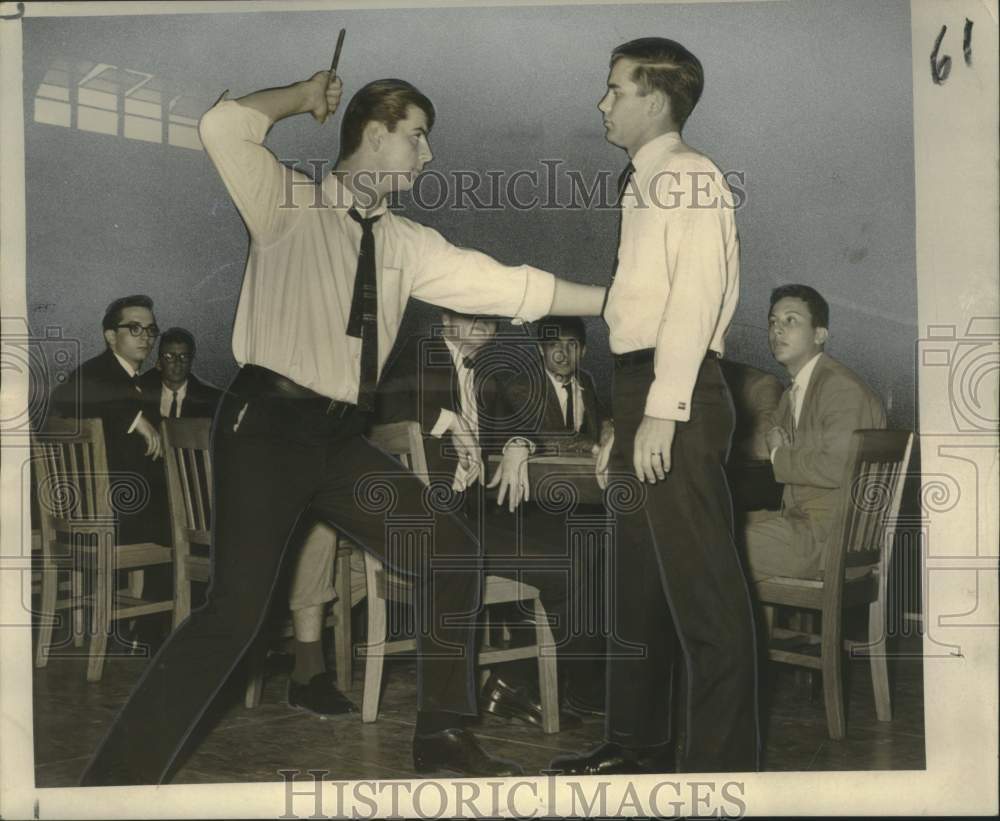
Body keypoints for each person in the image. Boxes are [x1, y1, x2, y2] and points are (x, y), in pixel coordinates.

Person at [80, 67, 606, 785]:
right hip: (264, 424)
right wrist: (299, 98)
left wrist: (618, 300)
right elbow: (220, 126)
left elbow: (512, 284)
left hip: (336, 442)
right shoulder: (285, 200)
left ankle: (445, 740)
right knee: (235, 616)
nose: (427, 156)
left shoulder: (408, 243)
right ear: (377, 131)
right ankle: (114, 784)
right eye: (417, 137)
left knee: (452, 549)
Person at [551, 37, 759, 775]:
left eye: (615, 89)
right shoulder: (644, 181)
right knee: (637, 587)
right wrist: (622, 416)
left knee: (707, 602)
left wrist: (666, 409)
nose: (603, 103)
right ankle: (637, 747)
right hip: (649, 389)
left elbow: (696, 299)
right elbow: (643, 313)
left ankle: (722, 772)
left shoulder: (688, 174)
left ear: (656, 98)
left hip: (685, 392)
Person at [375, 310, 582, 730]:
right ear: (446, 317)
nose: (484, 325)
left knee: (570, 547)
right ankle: (513, 684)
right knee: (565, 565)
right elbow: (381, 407)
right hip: (428, 529)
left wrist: (518, 445)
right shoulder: (421, 352)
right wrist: (450, 422)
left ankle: (514, 684)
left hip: (467, 522)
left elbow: (519, 422)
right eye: (473, 315)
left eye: (491, 319)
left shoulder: (482, 370)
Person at [143, 327, 355, 715]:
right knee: (321, 532)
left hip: (217, 525)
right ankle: (307, 668)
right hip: (246, 523)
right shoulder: (263, 402)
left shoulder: (236, 398)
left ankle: (285, 641)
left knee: (353, 551)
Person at [488, 315, 612, 718]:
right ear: (540, 350)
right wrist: (590, 444)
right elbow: (535, 432)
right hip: (527, 510)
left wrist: (609, 434)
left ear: (585, 351)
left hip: (576, 504)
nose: (563, 352)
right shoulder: (522, 383)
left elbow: (600, 431)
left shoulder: (588, 385)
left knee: (611, 549)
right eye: (553, 344)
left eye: (572, 345)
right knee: (584, 555)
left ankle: (568, 676)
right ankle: (569, 680)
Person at [51, 295, 171, 652]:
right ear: (109, 336)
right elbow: (62, 397)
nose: (146, 337)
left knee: (187, 514)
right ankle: (152, 631)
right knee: (197, 527)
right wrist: (135, 419)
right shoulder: (97, 372)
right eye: (134, 328)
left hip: (109, 509)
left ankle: (142, 628)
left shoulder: (136, 383)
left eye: (150, 329)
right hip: (108, 515)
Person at [743, 284, 887, 580]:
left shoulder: (840, 388)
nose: (777, 330)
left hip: (832, 540)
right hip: (804, 526)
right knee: (706, 529)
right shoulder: (793, 393)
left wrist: (777, 455)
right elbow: (765, 443)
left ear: (820, 334)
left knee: (714, 547)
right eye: (772, 322)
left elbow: (836, 467)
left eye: (790, 320)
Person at [139, 327, 222, 423]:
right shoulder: (138, 391)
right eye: (169, 357)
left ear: (191, 361)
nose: (178, 363)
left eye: (184, 356)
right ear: (159, 362)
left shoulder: (213, 400)